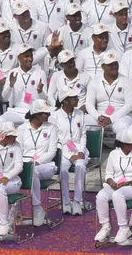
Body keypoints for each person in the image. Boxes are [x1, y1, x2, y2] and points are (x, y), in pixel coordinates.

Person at [94, 128, 132, 244]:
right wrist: (112, 182)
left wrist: (127, 183)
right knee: (101, 195)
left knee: (117, 195)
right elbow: (108, 174)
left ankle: (124, 228)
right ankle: (105, 226)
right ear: (124, 144)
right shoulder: (113, 154)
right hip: (115, 185)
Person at [16, 99, 59, 227]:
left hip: (46, 166)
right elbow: (18, 150)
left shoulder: (52, 128)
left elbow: (52, 152)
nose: (48, 115)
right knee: (13, 174)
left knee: (32, 171)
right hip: (25, 164)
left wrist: (37, 161)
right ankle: (14, 209)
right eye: (45, 113)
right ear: (36, 115)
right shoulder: (22, 128)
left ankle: (37, 208)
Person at [49, 86, 88, 215]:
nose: (77, 100)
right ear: (65, 101)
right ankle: (66, 201)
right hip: (63, 150)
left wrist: (81, 150)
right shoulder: (54, 116)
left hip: (79, 148)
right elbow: (56, 140)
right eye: (73, 98)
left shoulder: (80, 114)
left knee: (81, 165)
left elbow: (83, 134)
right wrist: (70, 155)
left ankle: (77, 201)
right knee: (63, 170)